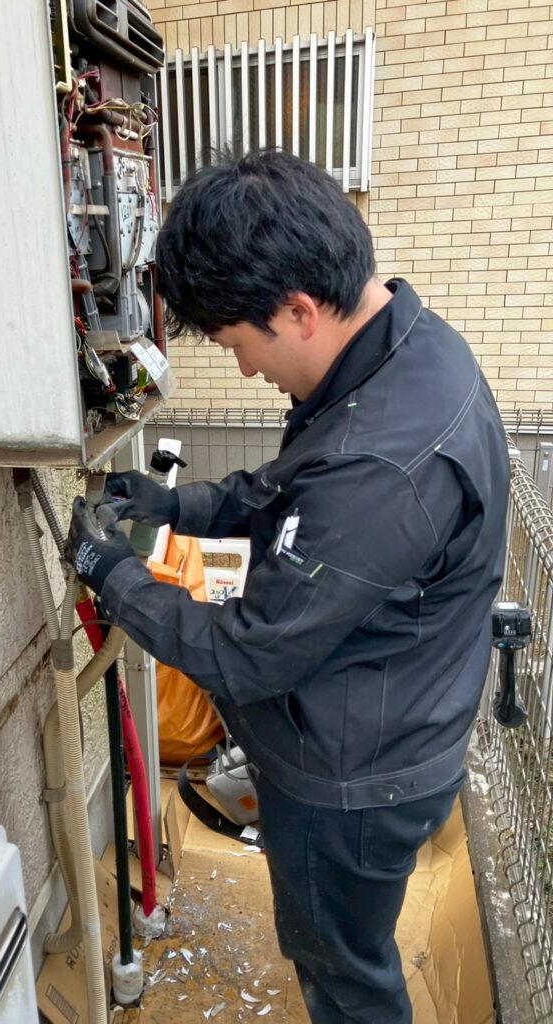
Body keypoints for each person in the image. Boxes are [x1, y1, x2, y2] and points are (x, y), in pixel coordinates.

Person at [67, 150, 509, 1024]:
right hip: (386, 721)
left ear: (300, 310)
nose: (243, 370)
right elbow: (299, 489)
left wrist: (113, 575)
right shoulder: (405, 351)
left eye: (240, 345)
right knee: (346, 955)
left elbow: (247, 652)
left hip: (353, 781)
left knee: (344, 975)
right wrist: (179, 505)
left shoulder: (384, 465)